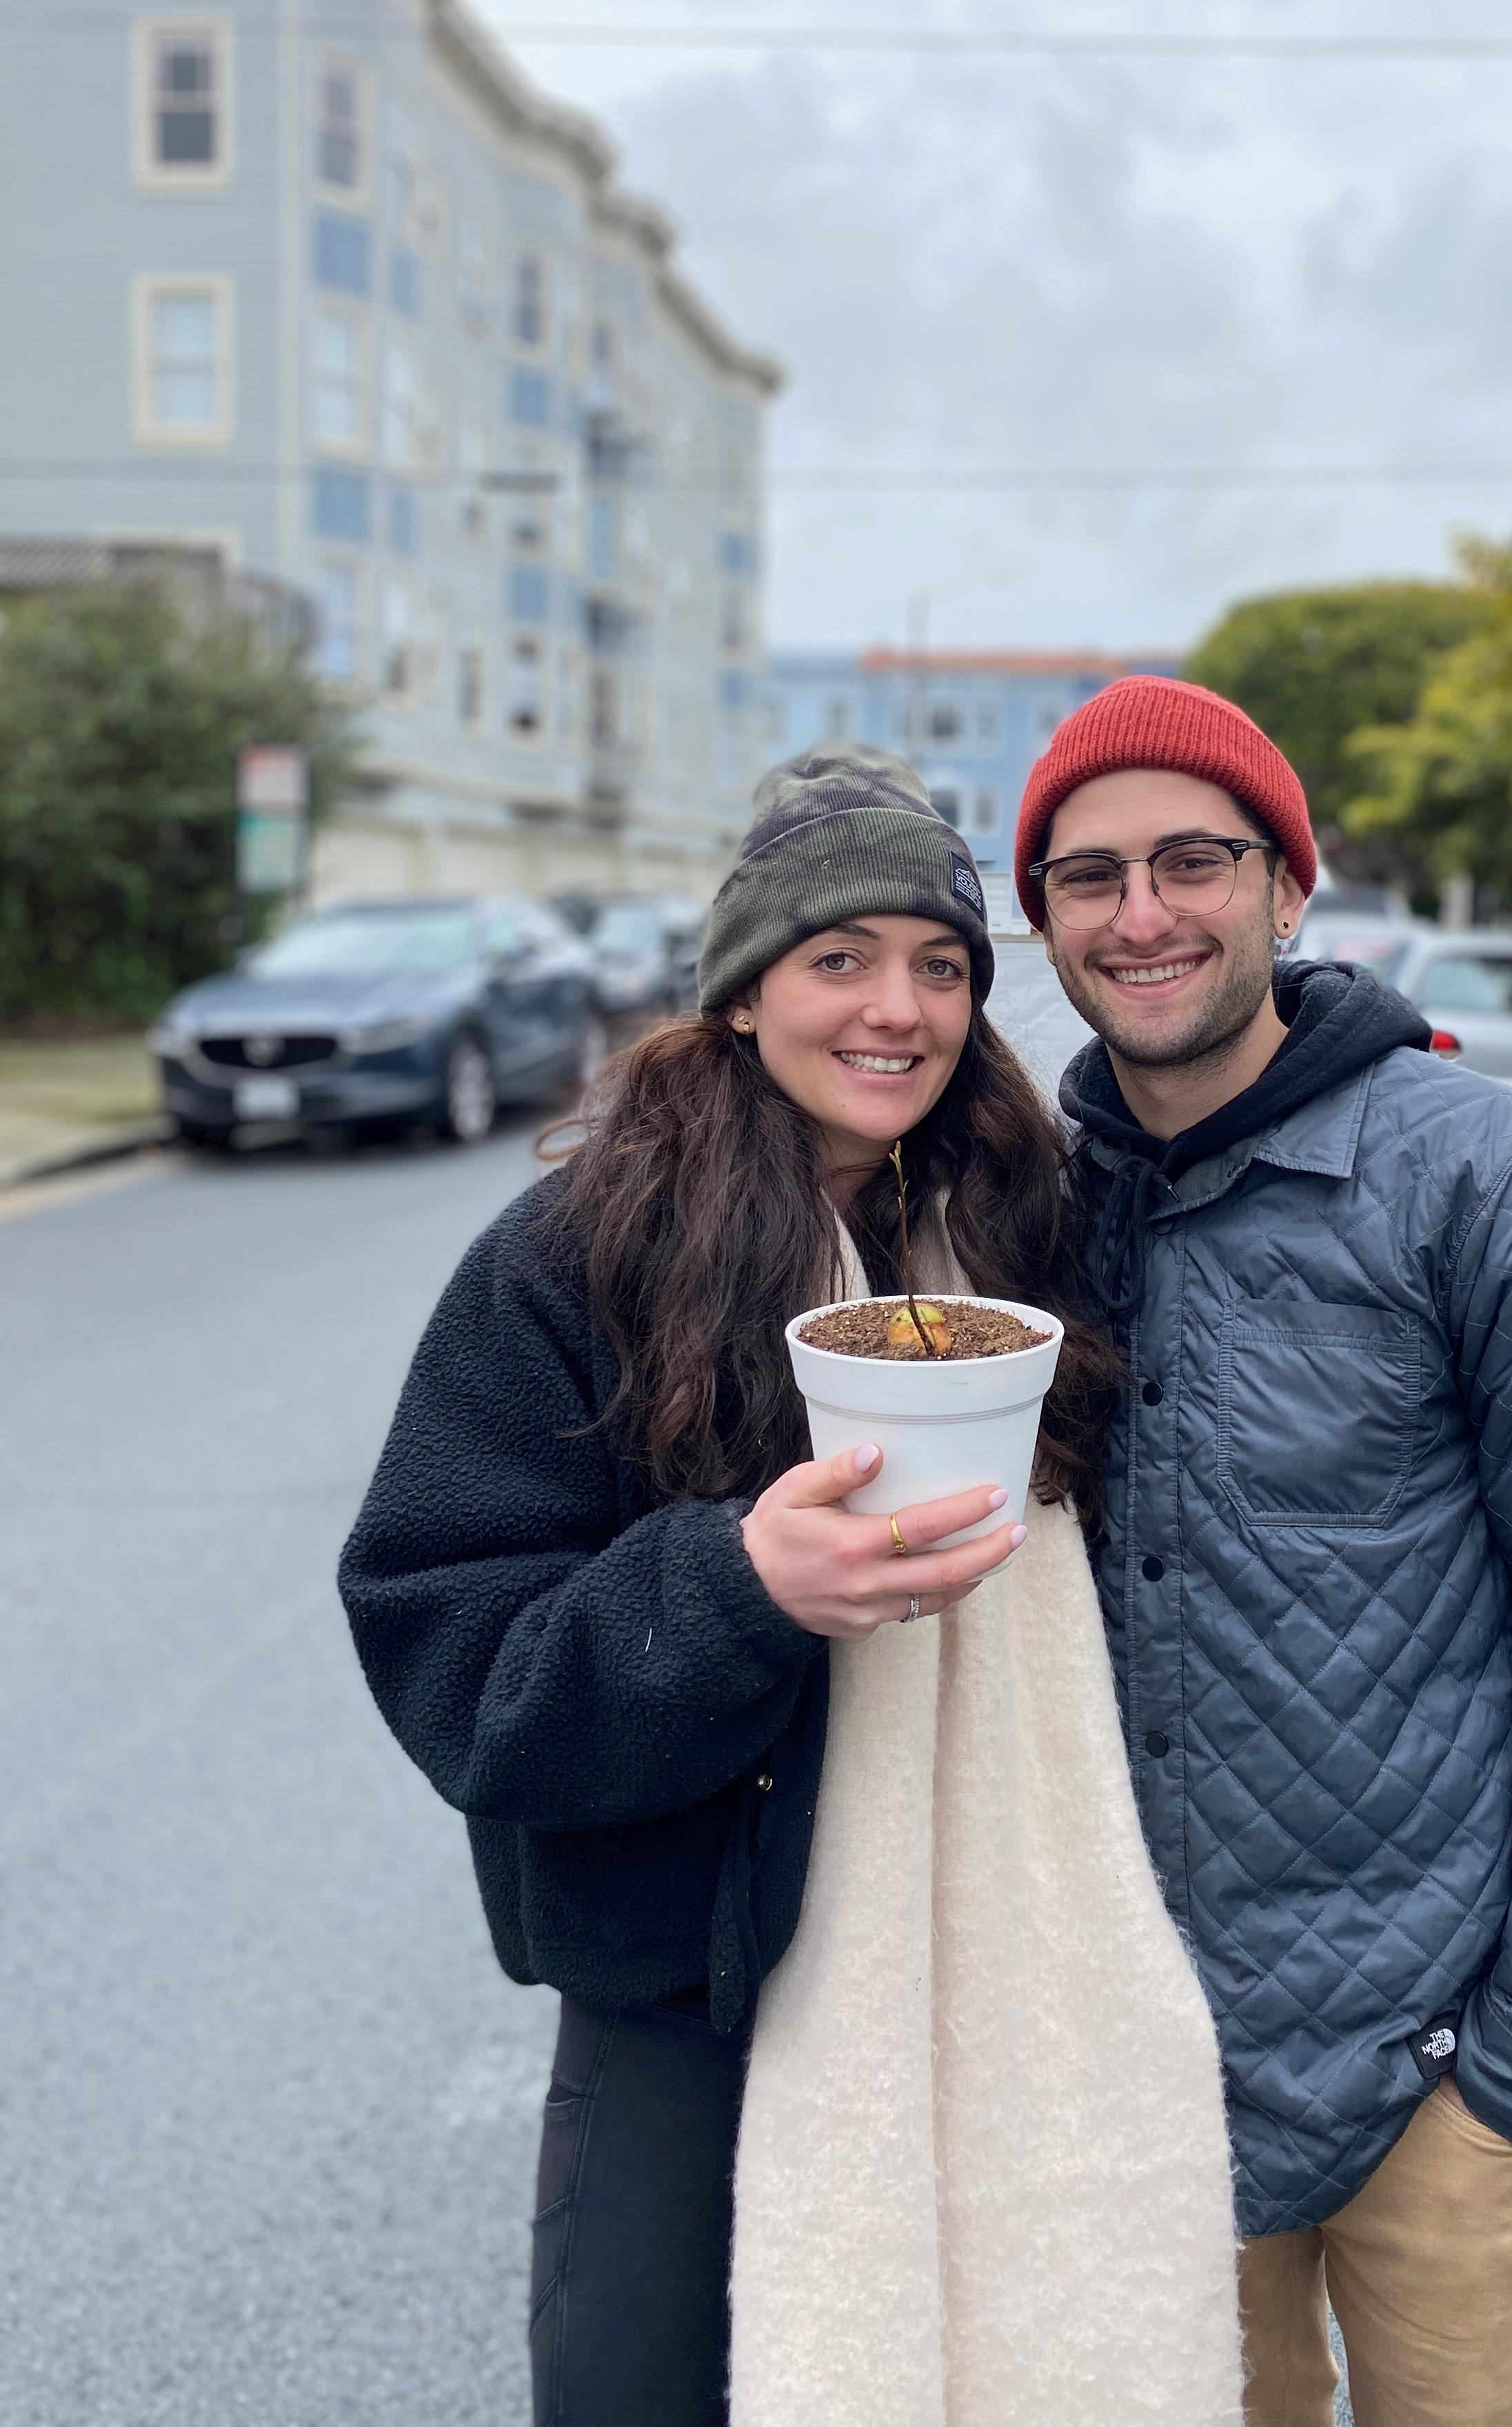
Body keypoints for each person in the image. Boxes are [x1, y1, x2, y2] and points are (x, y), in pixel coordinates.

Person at [338, 750, 1242, 2427]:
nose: (897, 1009)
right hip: (695, 2003)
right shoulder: (578, 1257)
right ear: (746, 993)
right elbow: (454, 1658)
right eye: (842, 960)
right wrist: (738, 1582)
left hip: (1012, 1982)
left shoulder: (1015, 1229)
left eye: (943, 965)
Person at [1015, 677, 1512, 2427]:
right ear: (1042, 922)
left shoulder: (1488, 1177)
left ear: (1287, 886)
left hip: (1438, 2070)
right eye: (1087, 878)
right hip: (1140, 2074)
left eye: (1192, 860)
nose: (1143, 913)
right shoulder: (1026, 1204)